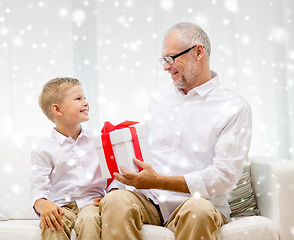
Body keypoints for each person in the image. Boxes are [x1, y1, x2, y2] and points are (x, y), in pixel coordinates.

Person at [99, 22, 252, 240]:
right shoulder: (160, 99)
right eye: (164, 60)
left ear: (198, 52)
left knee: (198, 212)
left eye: (171, 58)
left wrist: (158, 181)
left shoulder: (234, 107)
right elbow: (143, 153)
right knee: (115, 201)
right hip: (150, 201)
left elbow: (223, 177)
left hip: (197, 202)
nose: (165, 67)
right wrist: (117, 185)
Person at [30, 77, 122, 240]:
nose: (85, 102)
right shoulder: (43, 149)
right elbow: (39, 188)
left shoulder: (99, 140)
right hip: (61, 207)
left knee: (89, 220)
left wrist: (112, 195)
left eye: (84, 97)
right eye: (78, 99)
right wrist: (43, 204)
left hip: (91, 204)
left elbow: (116, 174)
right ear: (57, 110)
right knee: (51, 223)